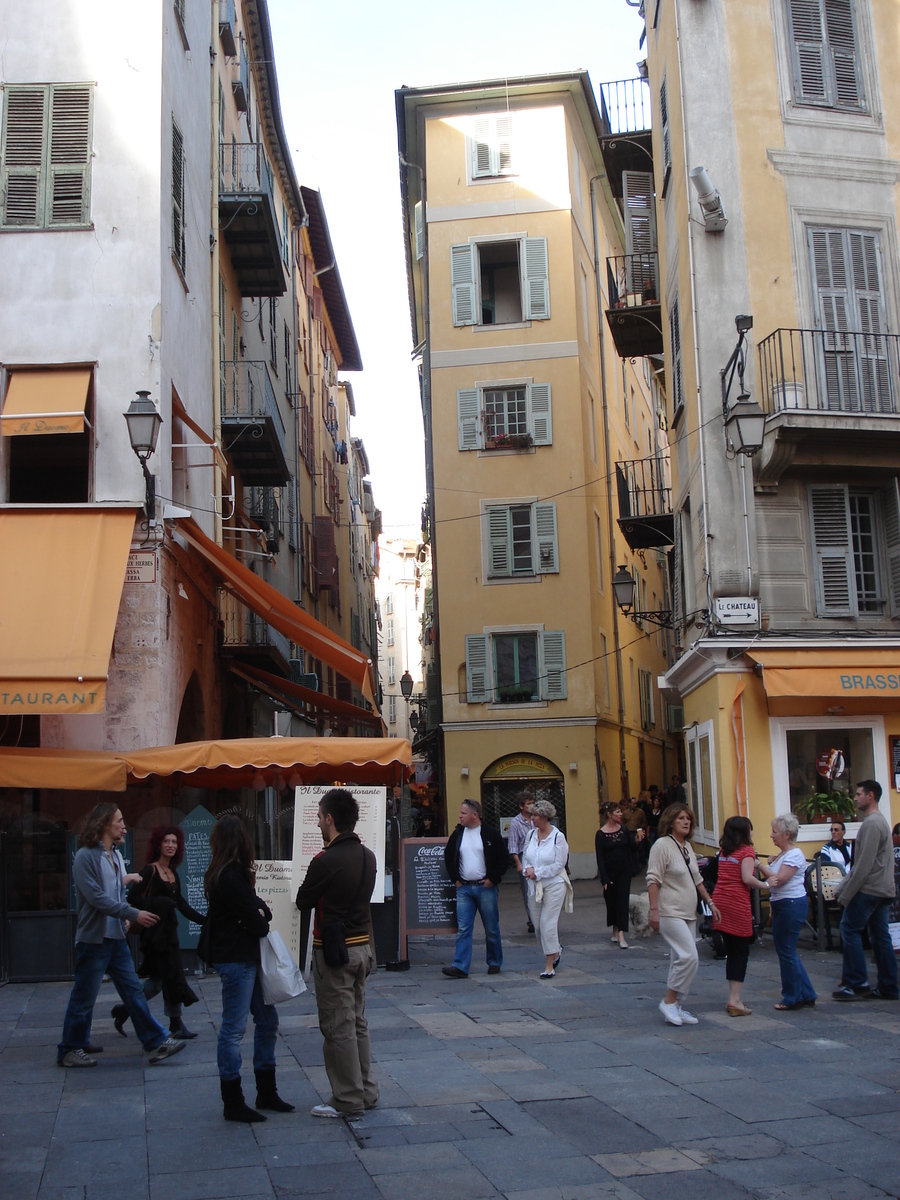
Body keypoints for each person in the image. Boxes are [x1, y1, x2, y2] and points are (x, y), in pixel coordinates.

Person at [57, 803, 185, 1069]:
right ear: (105, 824)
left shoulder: (115, 856)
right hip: (94, 940)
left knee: (134, 993)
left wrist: (125, 918)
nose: (124, 826)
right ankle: (69, 1048)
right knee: (84, 996)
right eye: (120, 821)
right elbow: (96, 899)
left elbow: (115, 894)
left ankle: (154, 1042)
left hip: (115, 939)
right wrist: (132, 913)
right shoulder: (84, 857)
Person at [295, 788, 378, 1117]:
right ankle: (366, 1091)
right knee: (357, 1022)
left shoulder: (324, 860)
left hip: (334, 953)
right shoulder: (368, 856)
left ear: (330, 819)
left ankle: (346, 1098)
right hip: (362, 948)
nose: (317, 822)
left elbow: (303, 901)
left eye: (318, 817)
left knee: (337, 1025)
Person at [205, 815, 292, 1123]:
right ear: (240, 841)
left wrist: (257, 914)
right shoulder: (228, 876)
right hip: (236, 959)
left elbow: (262, 912)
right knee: (233, 1028)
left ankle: (266, 1091)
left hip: (246, 956)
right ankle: (233, 1100)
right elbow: (257, 920)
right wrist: (255, 915)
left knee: (268, 1020)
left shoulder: (235, 874)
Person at [110, 824, 205, 1041]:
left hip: (169, 933)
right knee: (169, 976)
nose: (171, 845)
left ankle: (127, 1010)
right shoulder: (150, 871)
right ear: (158, 845)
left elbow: (180, 903)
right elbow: (133, 899)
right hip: (154, 935)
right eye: (167, 842)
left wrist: (202, 920)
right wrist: (158, 903)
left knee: (162, 979)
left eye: (174, 842)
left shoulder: (173, 873)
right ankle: (174, 1022)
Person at [646, 803, 720, 1026]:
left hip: (688, 912)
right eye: (680, 818)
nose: (686, 822)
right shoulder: (662, 846)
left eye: (688, 818)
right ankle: (669, 1001)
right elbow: (653, 878)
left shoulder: (686, 846)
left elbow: (697, 879)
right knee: (689, 956)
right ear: (670, 822)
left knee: (681, 958)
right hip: (670, 910)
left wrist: (710, 902)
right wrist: (653, 910)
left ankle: (677, 1005)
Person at [831, 781, 898, 1001]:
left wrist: (846, 895)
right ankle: (889, 985)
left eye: (859, 794)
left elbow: (862, 865)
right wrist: (842, 887)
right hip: (883, 889)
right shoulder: (880, 822)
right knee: (880, 936)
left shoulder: (871, 824)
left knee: (849, 929)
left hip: (869, 889)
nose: (855, 798)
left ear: (871, 796)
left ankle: (857, 981)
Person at [442, 799, 509, 978]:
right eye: (460, 813)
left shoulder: (490, 834)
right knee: (464, 928)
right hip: (464, 888)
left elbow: (503, 858)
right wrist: (455, 878)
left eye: (463, 813)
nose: (460, 816)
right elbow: (448, 856)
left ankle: (494, 961)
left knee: (491, 927)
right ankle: (460, 966)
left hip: (485, 887)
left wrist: (493, 879)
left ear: (474, 815)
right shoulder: (457, 834)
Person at [757, 813, 817, 1011]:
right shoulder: (783, 855)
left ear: (787, 834)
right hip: (782, 903)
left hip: (790, 903)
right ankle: (806, 993)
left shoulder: (794, 855)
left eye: (775, 832)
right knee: (786, 950)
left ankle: (792, 996)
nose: (772, 835)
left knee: (787, 951)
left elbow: (779, 879)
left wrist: (759, 865)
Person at [712, 817, 768, 1016]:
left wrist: (761, 865)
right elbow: (747, 878)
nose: (753, 833)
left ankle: (733, 998)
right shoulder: (747, 850)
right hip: (737, 902)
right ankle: (734, 1000)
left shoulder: (724, 852)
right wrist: (767, 886)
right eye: (751, 829)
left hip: (720, 901)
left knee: (732, 950)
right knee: (741, 951)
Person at [522, 800, 571, 977]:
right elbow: (526, 855)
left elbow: (559, 864)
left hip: (554, 884)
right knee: (537, 925)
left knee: (547, 923)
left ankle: (549, 964)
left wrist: (538, 872)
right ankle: (556, 949)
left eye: (534, 815)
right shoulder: (531, 835)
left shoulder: (558, 837)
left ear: (543, 817)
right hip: (534, 885)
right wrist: (528, 870)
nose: (532, 819)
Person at [595, 801, 645, 949]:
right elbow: (600, 858)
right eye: (617, 812)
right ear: (609, 814)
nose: (620, 814)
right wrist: (604, 877)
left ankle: (622, 933)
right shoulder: (601, 834)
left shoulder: (623, 830)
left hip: (624, 871)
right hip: (609, 873)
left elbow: (632, 847)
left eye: (620, 811)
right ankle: (615, 928)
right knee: (611, 901)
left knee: (622, 901)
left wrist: (638, 841)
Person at [507, 792, 535, 933]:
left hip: (538, 856)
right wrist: (518, 863)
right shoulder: (516, 823)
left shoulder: (537, 819)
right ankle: (532, 919)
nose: (531, 806)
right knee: (527, 890)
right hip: (525, 856)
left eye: (532, 802)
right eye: (528, 803)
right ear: (521, 806)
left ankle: (541, 916)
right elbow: (513, 846)